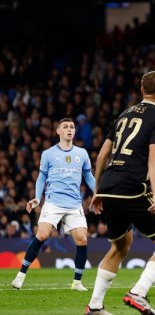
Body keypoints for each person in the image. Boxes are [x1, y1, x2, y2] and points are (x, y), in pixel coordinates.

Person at [85, 71, 155, 315]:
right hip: (132, 187)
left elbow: (101, 155)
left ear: (142, 90)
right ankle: (138, 293)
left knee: (120, 246)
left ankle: (95, 307)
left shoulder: (124, 114)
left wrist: (98, 190)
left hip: (109, 186)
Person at [12, 118, 95, 291]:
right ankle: (20, 276)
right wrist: (37, 197)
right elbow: (41, 177)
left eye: (72, 127)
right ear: (58, 131)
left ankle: (77, 282)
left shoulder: (82, 153)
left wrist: (97, 194)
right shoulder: (48, 154)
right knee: (42, 234)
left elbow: (89, 177)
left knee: (82, 239)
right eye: (65, 127)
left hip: (74, 204)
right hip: (53, 202)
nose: (69, 129)